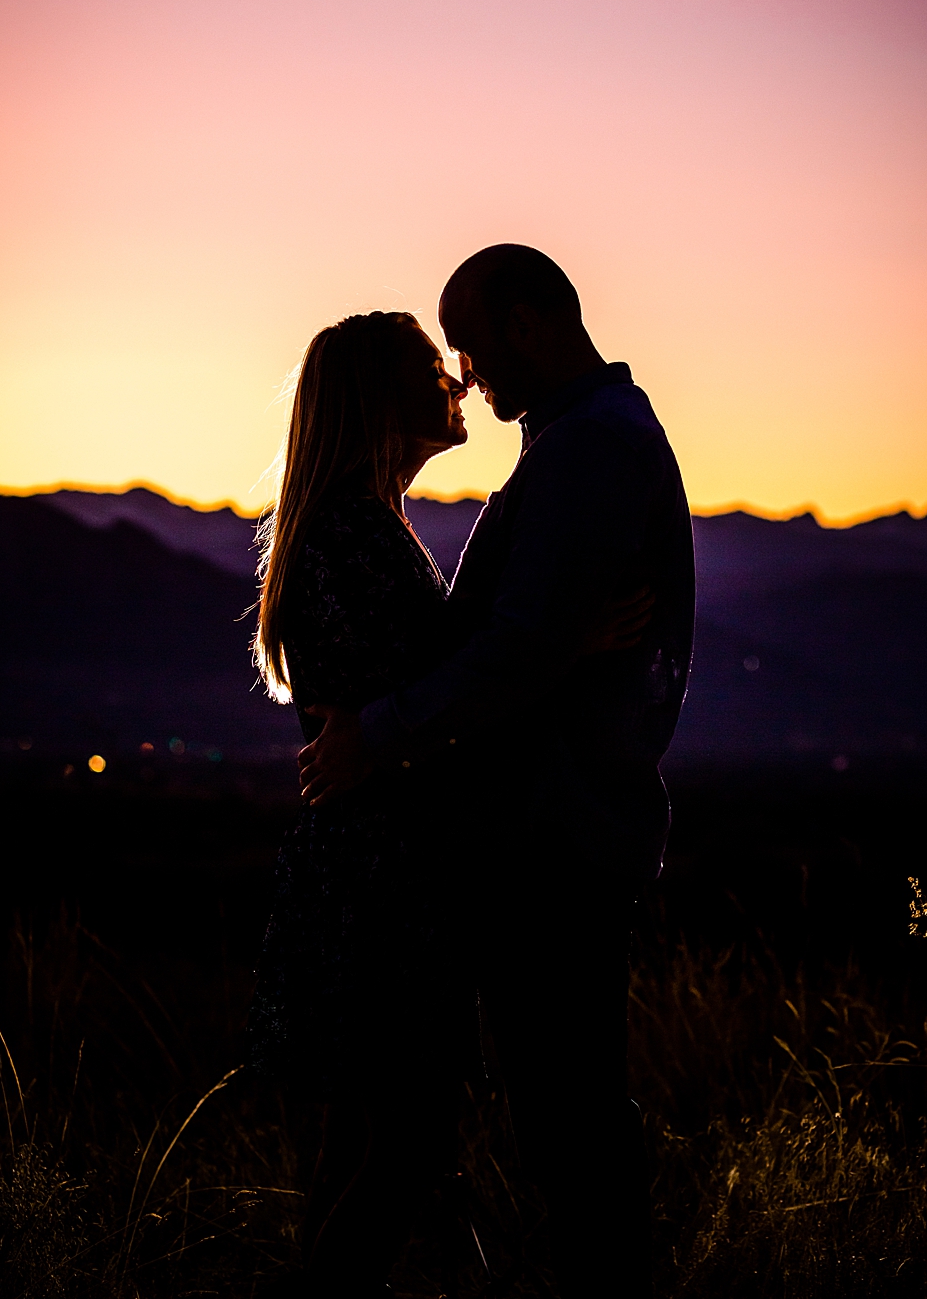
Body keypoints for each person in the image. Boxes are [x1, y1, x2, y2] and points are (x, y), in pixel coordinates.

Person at [296, 244, 694, 1299]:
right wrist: (560, 642)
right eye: (446, 358)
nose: (466, 375)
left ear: (527, 323)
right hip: (500, 847)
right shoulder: (576, 443)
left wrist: (376, 731)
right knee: (452, 1129)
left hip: (554, 842)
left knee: (559, 1125)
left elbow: (509, 649)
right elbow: (514, 642)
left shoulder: (589, 449)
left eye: (470, 346)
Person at [245, 309, 481, 1295]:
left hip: (376, 876)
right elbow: (423, 706)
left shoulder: (363, 523)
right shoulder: (350, 532)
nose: (456, 381)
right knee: (399, 1145)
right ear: (377, 398)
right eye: (431, 367)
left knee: (370, 1144)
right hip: (377, 886)